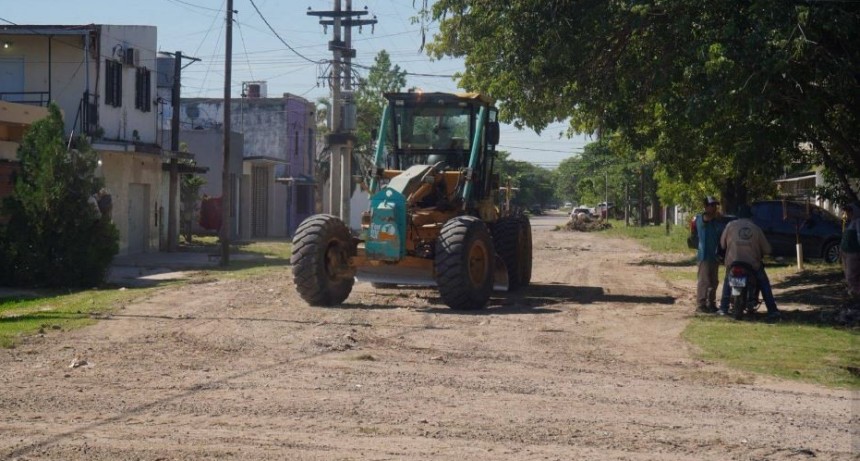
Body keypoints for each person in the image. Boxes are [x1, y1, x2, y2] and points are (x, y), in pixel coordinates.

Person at [718, 204, 781, 321]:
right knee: (764, 283)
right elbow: (767, 249)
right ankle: (772, 310)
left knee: (727, 281)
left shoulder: (730, 226)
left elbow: (722, 244)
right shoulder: (756, 228)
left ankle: (723, 308)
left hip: (733, 263)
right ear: (750, 216)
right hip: (752, 265)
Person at [694, 196, 722, 313]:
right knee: (704, 281)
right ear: (705, 207)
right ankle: (701, 304)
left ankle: (711, 303)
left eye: (715, 205)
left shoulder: (716, 220)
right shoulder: (701, 218)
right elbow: (706, 219)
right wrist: (715, 216)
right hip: (704, 255)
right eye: (711, 205)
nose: (714, 207)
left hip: (714, 255)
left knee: (714, 281)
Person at [840, 202, 860, 299]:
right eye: (846, 212)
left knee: (851, 276)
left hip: (853, 252)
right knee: (848, 274)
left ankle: (856, 292)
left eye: (848, 211)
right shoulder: (850, 222)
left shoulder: (858, 222)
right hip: (845, 251)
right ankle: (852, 292)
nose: (846, 214)